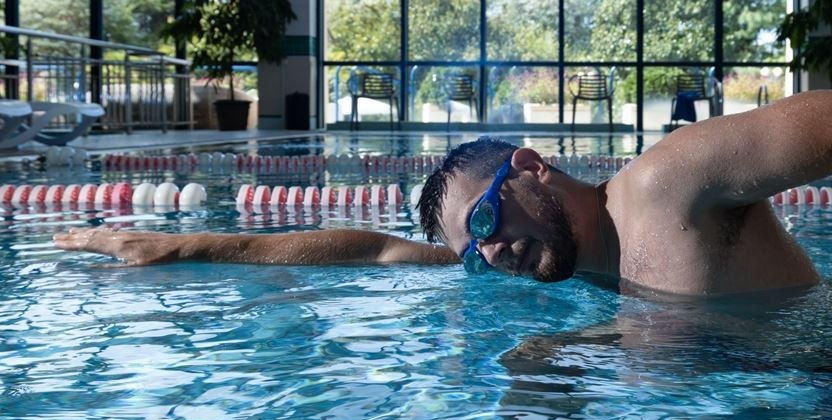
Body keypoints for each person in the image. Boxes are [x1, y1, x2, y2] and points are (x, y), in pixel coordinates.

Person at [54, 90, 831, 297]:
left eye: (487, 218)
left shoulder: (670, 184)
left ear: (531, 169)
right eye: (477, 252)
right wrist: (193, 243)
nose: (491, 250)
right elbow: (377, 250)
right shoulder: (563, 274)